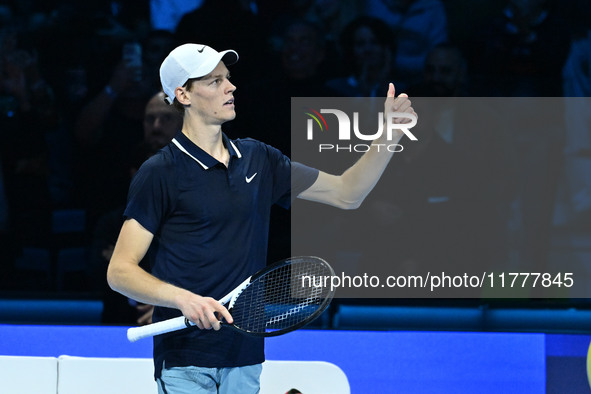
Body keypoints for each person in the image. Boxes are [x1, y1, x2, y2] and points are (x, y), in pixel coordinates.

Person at [107, 43, 415, 393]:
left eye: (228, 79)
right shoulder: (159, 172)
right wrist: (182, 299)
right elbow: (120, 272)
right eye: (214, 81)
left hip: (245, 356)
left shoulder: (259, 159)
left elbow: (348, 192)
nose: (230, 87)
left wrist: (390, 132)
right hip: (185, 358)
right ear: (183, 94)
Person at [90, 91, 182, 325]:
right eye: (150, 119)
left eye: (166, 118)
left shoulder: (204, 207)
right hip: (121, 326)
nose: (156, 127)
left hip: (185, 326)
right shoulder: (115, 221)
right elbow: (104, 272)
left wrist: (168, 306)